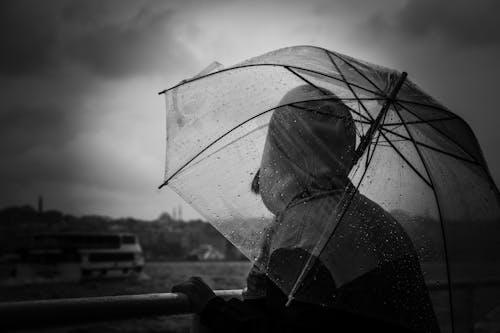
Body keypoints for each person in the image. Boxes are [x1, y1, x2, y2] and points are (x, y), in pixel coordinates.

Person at [172, 85, 440, 333]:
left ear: (282, 145)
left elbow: (288, 325)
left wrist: (212, 307)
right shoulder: (378, 219)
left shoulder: (301, 234)